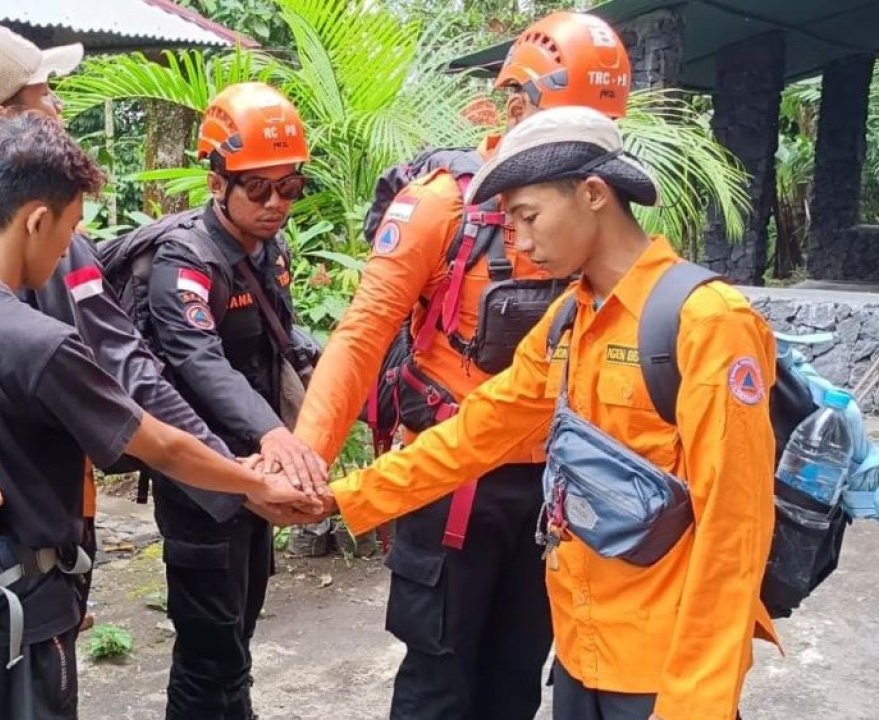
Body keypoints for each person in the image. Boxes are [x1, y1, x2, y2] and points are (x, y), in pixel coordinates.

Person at [0, 109, 318, 720]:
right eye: (70, 229)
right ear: (36, 220)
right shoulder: (39, 343)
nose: (67, 253)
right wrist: (254, 484)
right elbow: (161, 446)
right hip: (15, 625)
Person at [325, 105, 777, 720]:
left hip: (662, 671)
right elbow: (477, 431)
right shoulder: (569, 319)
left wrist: (695, 704)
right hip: (579, 654)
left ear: (593, 193)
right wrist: (344, 497)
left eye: (528, 216)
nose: (521, 242)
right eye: (510, 222)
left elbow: (734, 531)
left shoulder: (707, 323)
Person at [292, 12, 633, 719]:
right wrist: (306, 460)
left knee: (517, 677)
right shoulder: (440, 206)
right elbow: (363, 332)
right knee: (438, 680)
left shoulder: (599, 216)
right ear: (515, 111)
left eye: (600, 132)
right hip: (450, 481)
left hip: (555, 486)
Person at [0, 24, 296, 627]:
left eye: (290, 186)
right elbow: (130, 372)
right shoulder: (47, 235)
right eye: (44, 92)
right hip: (23, 516)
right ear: (4, 117)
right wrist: (233, 477)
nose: (58, 105)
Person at [134, 82, 327, 720]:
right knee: (208, 651)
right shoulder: (184, 260)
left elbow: (279, 339)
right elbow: (198, 358)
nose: (276, 204)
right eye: (258, 189)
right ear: (217, 182)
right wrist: (273, 434)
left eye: (289, 188)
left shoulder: (268, 250)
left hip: (258, 474)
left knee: (239, 636)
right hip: (202, 480)